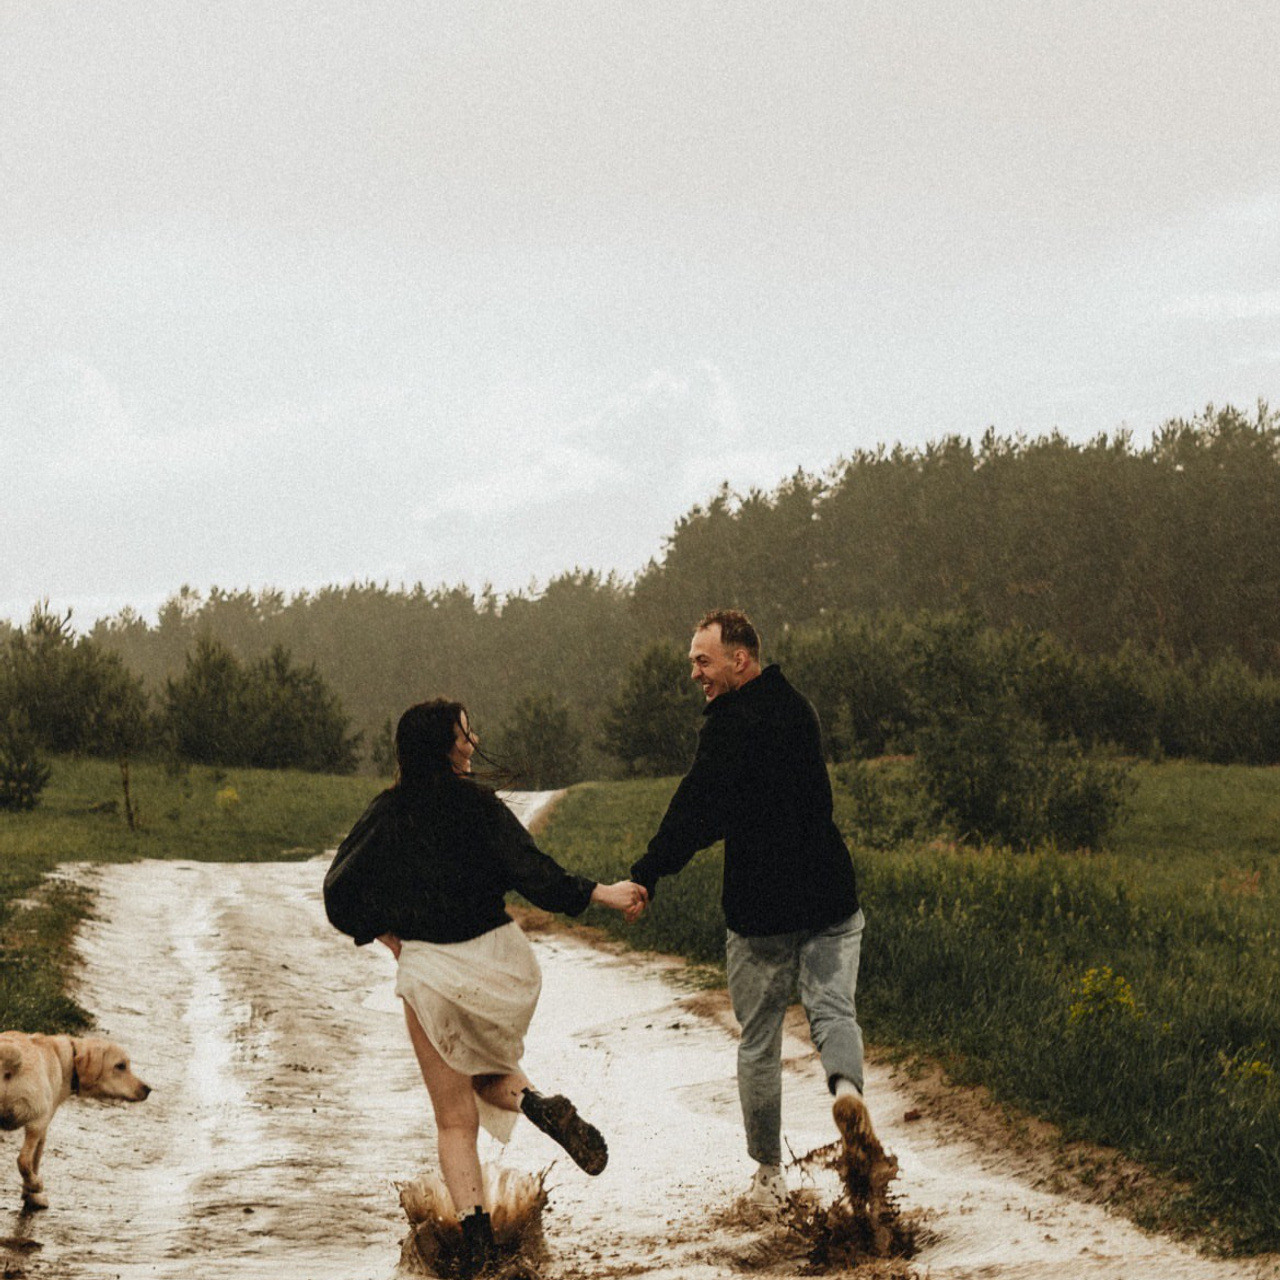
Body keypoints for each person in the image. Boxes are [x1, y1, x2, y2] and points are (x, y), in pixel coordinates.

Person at [324, 698, 644, 1277]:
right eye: (466, 733)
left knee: (453, 1120)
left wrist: (385, 933)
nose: (473, 741)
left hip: (431, 973)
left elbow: (338, 892)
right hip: (502, 963)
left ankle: (479, 1253)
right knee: (487, 1071)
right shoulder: (482, 807)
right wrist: (604, 892)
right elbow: (536, 874)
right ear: (450, 744)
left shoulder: (388, 812)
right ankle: (535, 1102)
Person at [628, 609, 877, 1210]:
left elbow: (696, 810)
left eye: (702, 660)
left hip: (760, 909)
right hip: (828, 896)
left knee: (759, 1041)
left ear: (740, 658)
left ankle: (769, 1177)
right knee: (833, 1010)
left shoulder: (728, 726)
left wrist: (647, 873)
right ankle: (845, 1088)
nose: (695, 673)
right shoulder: (799, 709)